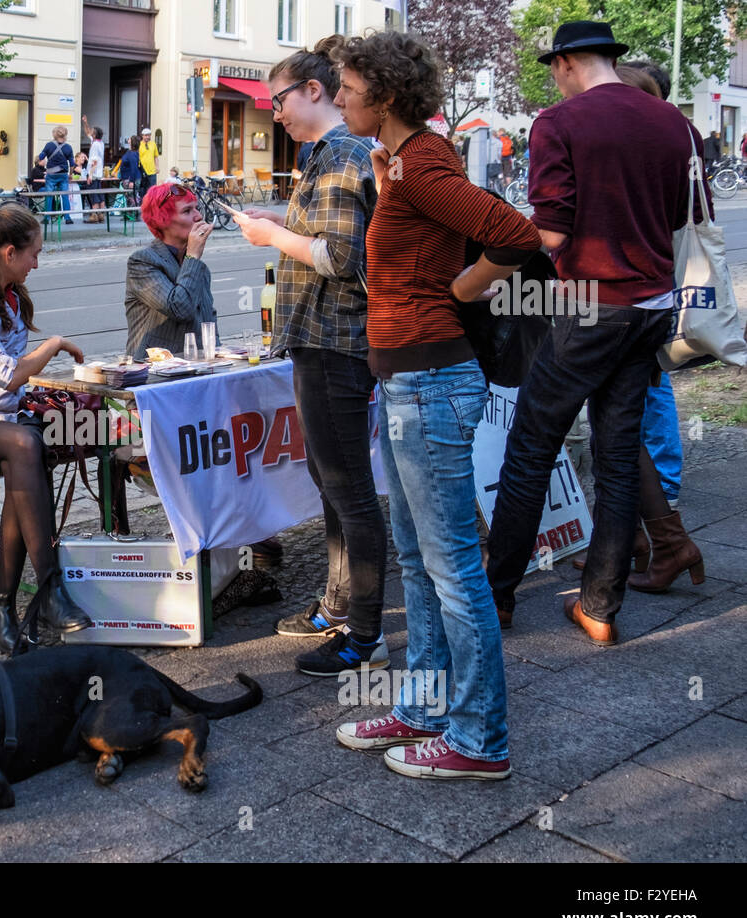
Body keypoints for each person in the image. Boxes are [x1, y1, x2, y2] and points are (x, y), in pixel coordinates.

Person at [330, 31, 541, 780]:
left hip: (430, 380)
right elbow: (422, 243)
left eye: (348, 87)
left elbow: (515, 234)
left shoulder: (422, 164)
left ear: (384, 95)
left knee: (452, 568)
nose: (339, 97)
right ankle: (423, 708)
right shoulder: (413, 164)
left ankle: (480, 739)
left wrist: (459, 290)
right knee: (419, 560)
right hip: (409, 382)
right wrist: (392, 192)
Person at [484, 20, 708, 646]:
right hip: (654, 303)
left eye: (553, 68)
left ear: (566, 63)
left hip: (591, 304)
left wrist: (495, 256)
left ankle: (496, 598)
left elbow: (551, 233)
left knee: (531, 448)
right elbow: (688, 215)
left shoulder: (559, 123)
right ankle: (600, 607)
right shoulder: (674, 122)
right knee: (616, 454)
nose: (553, 79)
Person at [234, 37, 387, 677]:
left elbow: (341, 260)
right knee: (333, 482)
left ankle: (365, 636)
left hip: (336, 343)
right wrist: (285, 229)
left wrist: (273, 235)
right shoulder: (327, 155)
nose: (275, 113)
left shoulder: (340, 153)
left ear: (315, 92)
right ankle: (339, 603)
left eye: (280, 99)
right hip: (324, 342)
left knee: (349, 489)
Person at [0, 204, 93, 652]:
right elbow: (7, 374)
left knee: (85, 430)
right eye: (34, 253)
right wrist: (54, 344)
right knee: (26, 444)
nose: (37, 262)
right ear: (9, 252)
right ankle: (50, 589)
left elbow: (17, 386)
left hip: (10, 425)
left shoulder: (9, 294)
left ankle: (5, 610)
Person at [124, 182, 215, 360]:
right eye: (187, 211)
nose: (198, 216)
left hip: (194, 369)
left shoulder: (200, 269)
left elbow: (209, 323)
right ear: (163, 220)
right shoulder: (143, 262)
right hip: (152, 371)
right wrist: (193, 256)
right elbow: (180, 309)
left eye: (197, 208)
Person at [38, 125, 74, 225]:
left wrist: (39, 158)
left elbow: (41, 157)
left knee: (49, 195)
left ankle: (47, 218)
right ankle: (67, 218)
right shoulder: (68, 147)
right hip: (63, 175)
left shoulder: (49, 145)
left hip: (51, 175)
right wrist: (70, 175)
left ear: (54, 134)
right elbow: (72, 164)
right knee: (64, 195)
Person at [81, 115, 107, 221]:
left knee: (93, 194)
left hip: (94, 171)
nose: (90, 131)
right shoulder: (100, 143)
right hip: (99, 172)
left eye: (92, 131)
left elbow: (94, 161)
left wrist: (90, 175)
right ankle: (101, 214)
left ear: (95, 134)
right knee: (99, 192)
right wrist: (85, 122)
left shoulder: (95, 145)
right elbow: (87, 131)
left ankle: (93, 215)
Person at [118, 135, 142, 200]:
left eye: (130, 139)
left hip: (131, 179)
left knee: (131, 199)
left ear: (132, 142)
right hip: (127, 178)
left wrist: (132, 181)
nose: (128, 139)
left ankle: (135, 210)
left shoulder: (133, 154)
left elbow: (134, 168)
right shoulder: (130, 152)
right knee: (129, 199)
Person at [138, 127, 160, 197]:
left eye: (149, 135)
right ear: (142, 136)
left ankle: (151, 206)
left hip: (152, 171)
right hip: (142, 171)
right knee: (142, 190)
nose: (148, 137)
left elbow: (156, 157)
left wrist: (157, 167)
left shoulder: (153, 144)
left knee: (152, 190)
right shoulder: (139, 144)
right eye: (146, 135)